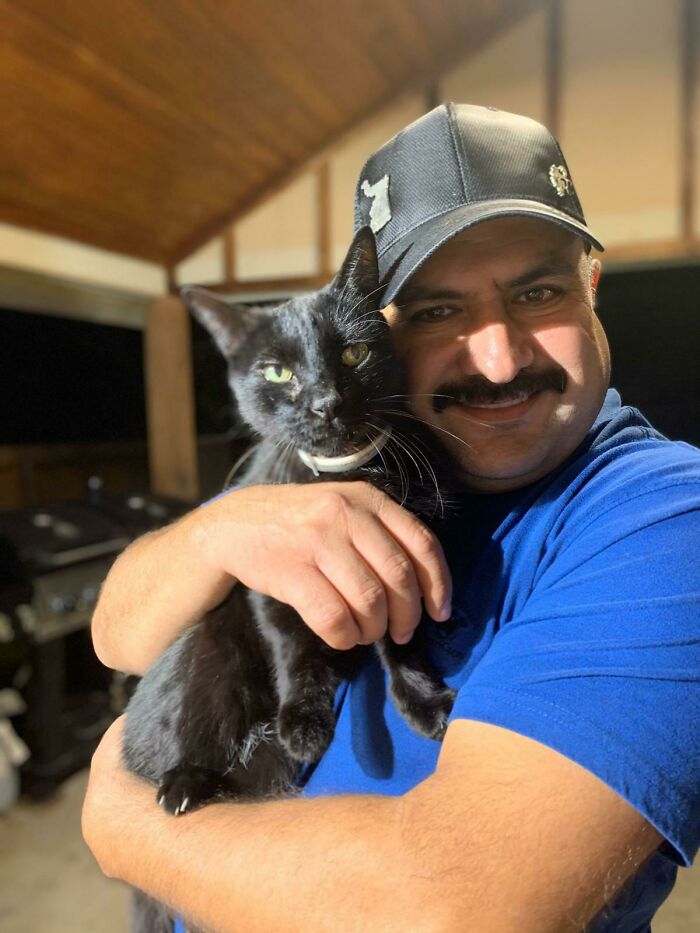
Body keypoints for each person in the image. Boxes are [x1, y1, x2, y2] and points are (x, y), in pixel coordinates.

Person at [82, 104, 700, 932]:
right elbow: (119, 634)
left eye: (538, 290)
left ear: (592, 285)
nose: (498, 357)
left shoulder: (661, 518)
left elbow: (458, 910)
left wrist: (129, 831)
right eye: (440, 311)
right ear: (385, 331)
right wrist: (213, 533)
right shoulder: (348, 456)